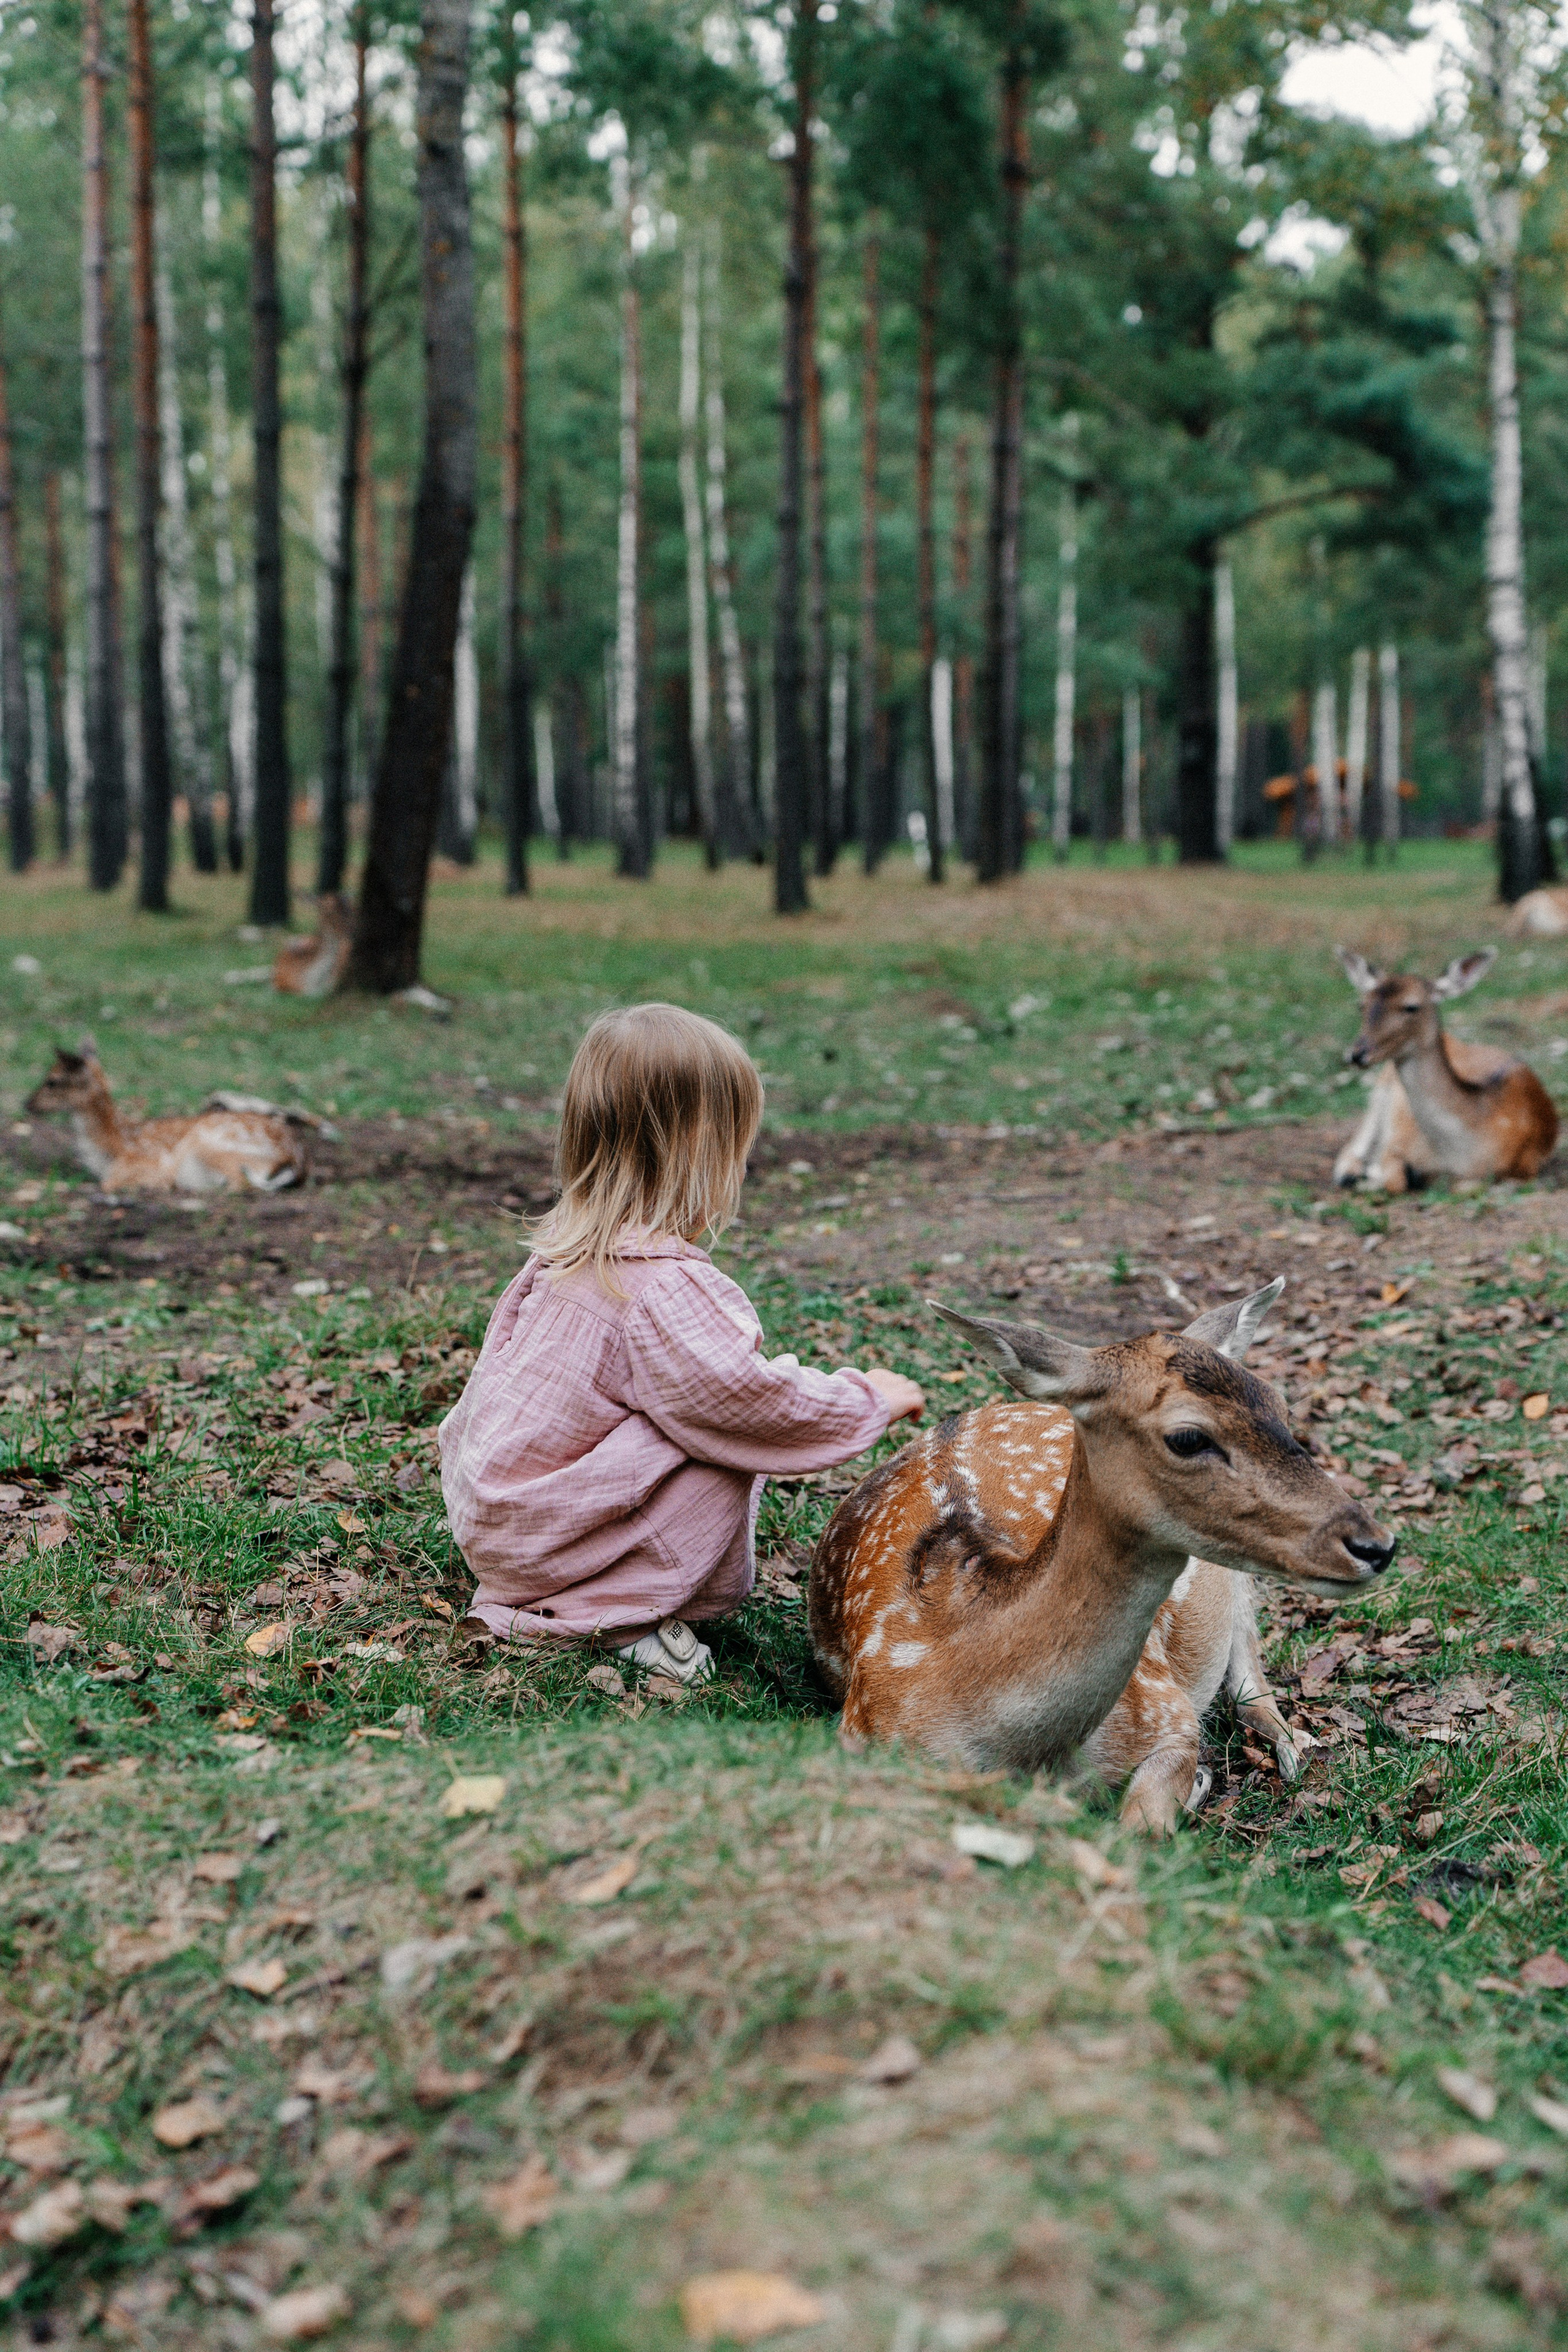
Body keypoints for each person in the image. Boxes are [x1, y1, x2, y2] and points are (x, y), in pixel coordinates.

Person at [439, 1003, 924, 1683]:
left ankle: (568, 1592)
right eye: (736, 1149)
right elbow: (748, 1405)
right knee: (708, 1438)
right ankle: (618, 1620)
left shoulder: (557, 1261)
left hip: (502, 1527)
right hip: (554, 1543)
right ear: (698, 1148)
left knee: (679, 1414)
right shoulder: (663, 1291)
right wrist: (865, 1400)